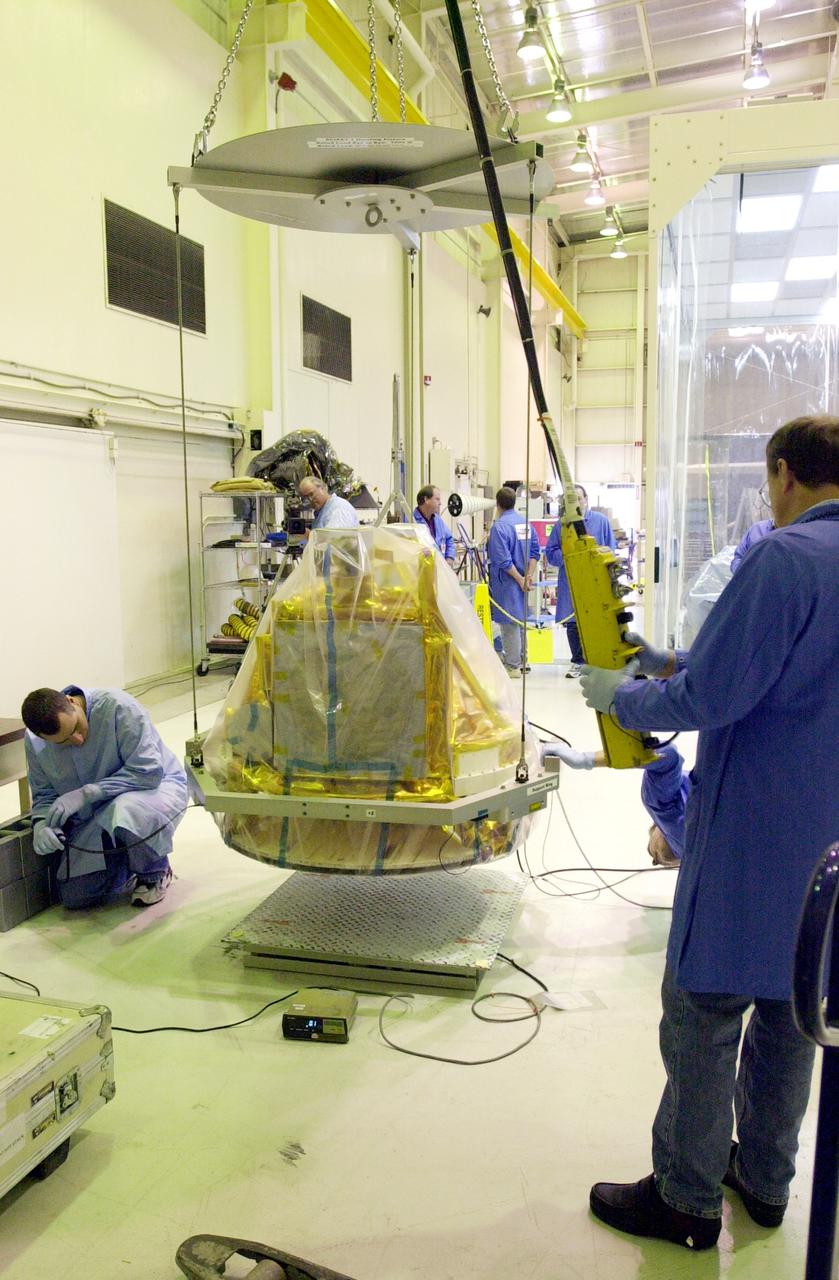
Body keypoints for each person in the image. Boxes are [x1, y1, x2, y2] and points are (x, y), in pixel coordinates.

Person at [577, 415, 839, 1250]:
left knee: (702, 1008)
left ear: (784, 473)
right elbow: (758, 662)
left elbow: (712, 701)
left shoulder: (784, 556)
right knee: (792, 1010)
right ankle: (763, 1182)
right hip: (823, 849)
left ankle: (684, 1200)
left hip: (753, 831)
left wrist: (618, 695)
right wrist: (665, 660)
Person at [22, 685, 188, 909]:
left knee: (125, 811)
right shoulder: (34, 742)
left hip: (150, 793)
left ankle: (154, 871)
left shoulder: (118, 707)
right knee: (76, 897)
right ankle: (129, 857)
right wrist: (42, 823)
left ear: (71, 701)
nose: (78, 739)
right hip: (96, 813)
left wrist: (88, 793)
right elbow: (44, 794)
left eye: (77, 727)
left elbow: (147, 772)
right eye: (64, 741)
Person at [543, 740, 686, 868]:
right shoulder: (666, 812)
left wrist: (583, 760)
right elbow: (667, 755)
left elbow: (668, 756)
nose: (656, 860)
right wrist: (583, 760)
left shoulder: (666, 813)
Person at [545, 485, 616, 678]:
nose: (576, 503)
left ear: (586, 499)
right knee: (573, 623)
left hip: (595, 581)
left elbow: (611, 549)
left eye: (579, 498)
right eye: (571, 500)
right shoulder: (561, 525)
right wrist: (569, 557)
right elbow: (550, 552)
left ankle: (596, 662)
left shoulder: (601, 522)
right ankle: (578, 662)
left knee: (596, 622)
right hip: (571, 582)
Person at [487, 487, 539, 677]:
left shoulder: (499, 527)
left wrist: (518, 579)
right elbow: (535, 552)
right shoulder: (525, 524)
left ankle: (512, 665)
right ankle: (523, 661)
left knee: (509, 623)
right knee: (521, 620)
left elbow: (502, 560)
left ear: (497, 503)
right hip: (524, 580)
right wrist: (528, 577)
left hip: (508, 582)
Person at [413, 485, 455, 566]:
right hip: (422, 571)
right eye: (437, 499)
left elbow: (449, 539)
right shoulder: (412, 521)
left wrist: (450, 558)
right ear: (426, 500)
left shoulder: (438, 520)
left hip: (440, 570)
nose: (440, 503)